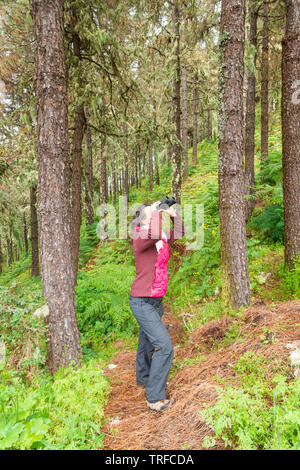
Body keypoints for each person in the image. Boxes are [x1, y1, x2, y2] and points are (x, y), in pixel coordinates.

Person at [129, 200, 185, 412]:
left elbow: (179, 233)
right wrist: (154, 210)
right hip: (141, 301)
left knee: (146, 342)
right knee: (164, 346)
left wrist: (172, 214)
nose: (154, 215)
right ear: (142, 219)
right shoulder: (140, 237)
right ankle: (154, 398)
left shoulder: (159, 236)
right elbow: (152, 233)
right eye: (149, 214)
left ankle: (143, 379)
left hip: (154, 300)